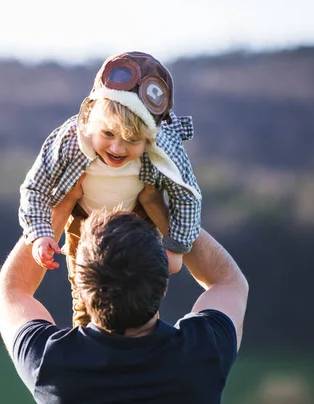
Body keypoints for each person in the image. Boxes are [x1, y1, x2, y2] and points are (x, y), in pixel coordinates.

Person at [0, 182, 249, 404]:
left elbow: (12, 291)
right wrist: (159, 210)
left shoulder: (51, 365)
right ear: (164, 287)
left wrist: (62, 207)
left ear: (80, 291)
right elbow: (228, 282)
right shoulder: (203, 354)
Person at [18, 51, 202, 327]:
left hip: (138, 219)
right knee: (86, 297)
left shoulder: (164, 147)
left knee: (140, 298)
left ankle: (144, 349)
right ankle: (86, 347)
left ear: (150, 137)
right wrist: (40, 235)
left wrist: (176, 246)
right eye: (108, 134)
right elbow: (36, 188)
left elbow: (187, 196)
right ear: (92, 120)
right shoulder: (70, 139)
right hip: (84, 220)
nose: (117, 148)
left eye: (132, 140)